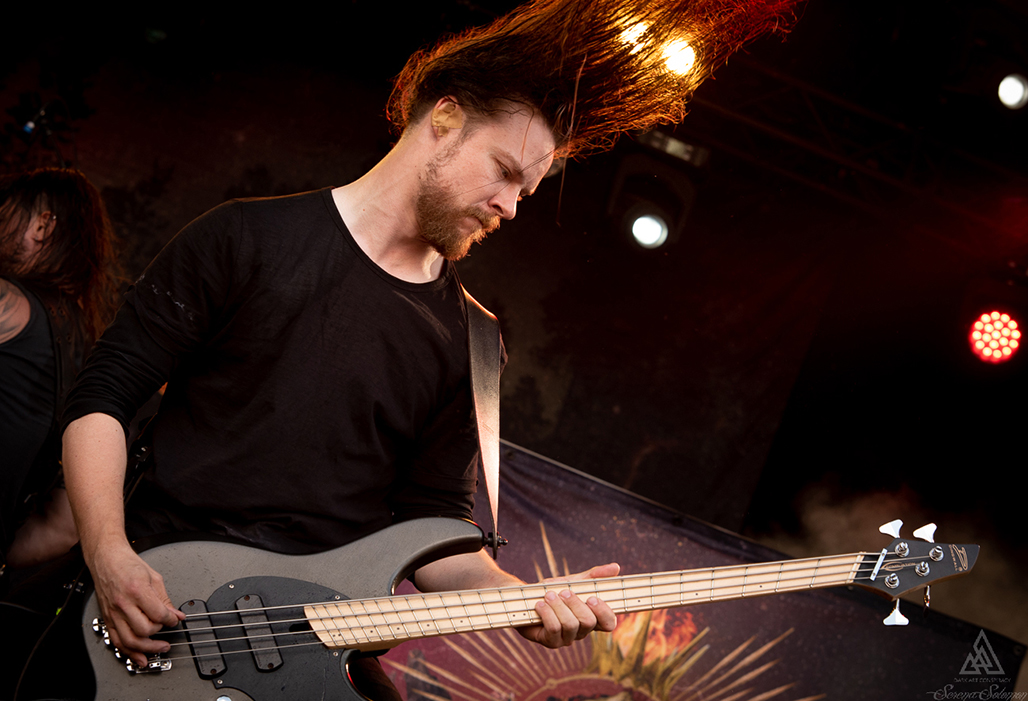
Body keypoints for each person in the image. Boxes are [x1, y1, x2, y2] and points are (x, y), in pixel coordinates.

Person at [61, 1, 797, 696]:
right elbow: (104, 396)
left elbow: (432, 531)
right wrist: (109, 554)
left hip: (303, 656)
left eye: (527, 190)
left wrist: (526, 602)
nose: (512, 205)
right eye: (505, 172)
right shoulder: (245, 238)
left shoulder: (472, 342)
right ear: (444, 119)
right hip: (158, 615)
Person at [0, 168, 120, 575]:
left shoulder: (11, 305)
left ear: (42, 224)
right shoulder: (85, 339)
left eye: (5, 213)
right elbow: (63, 527)